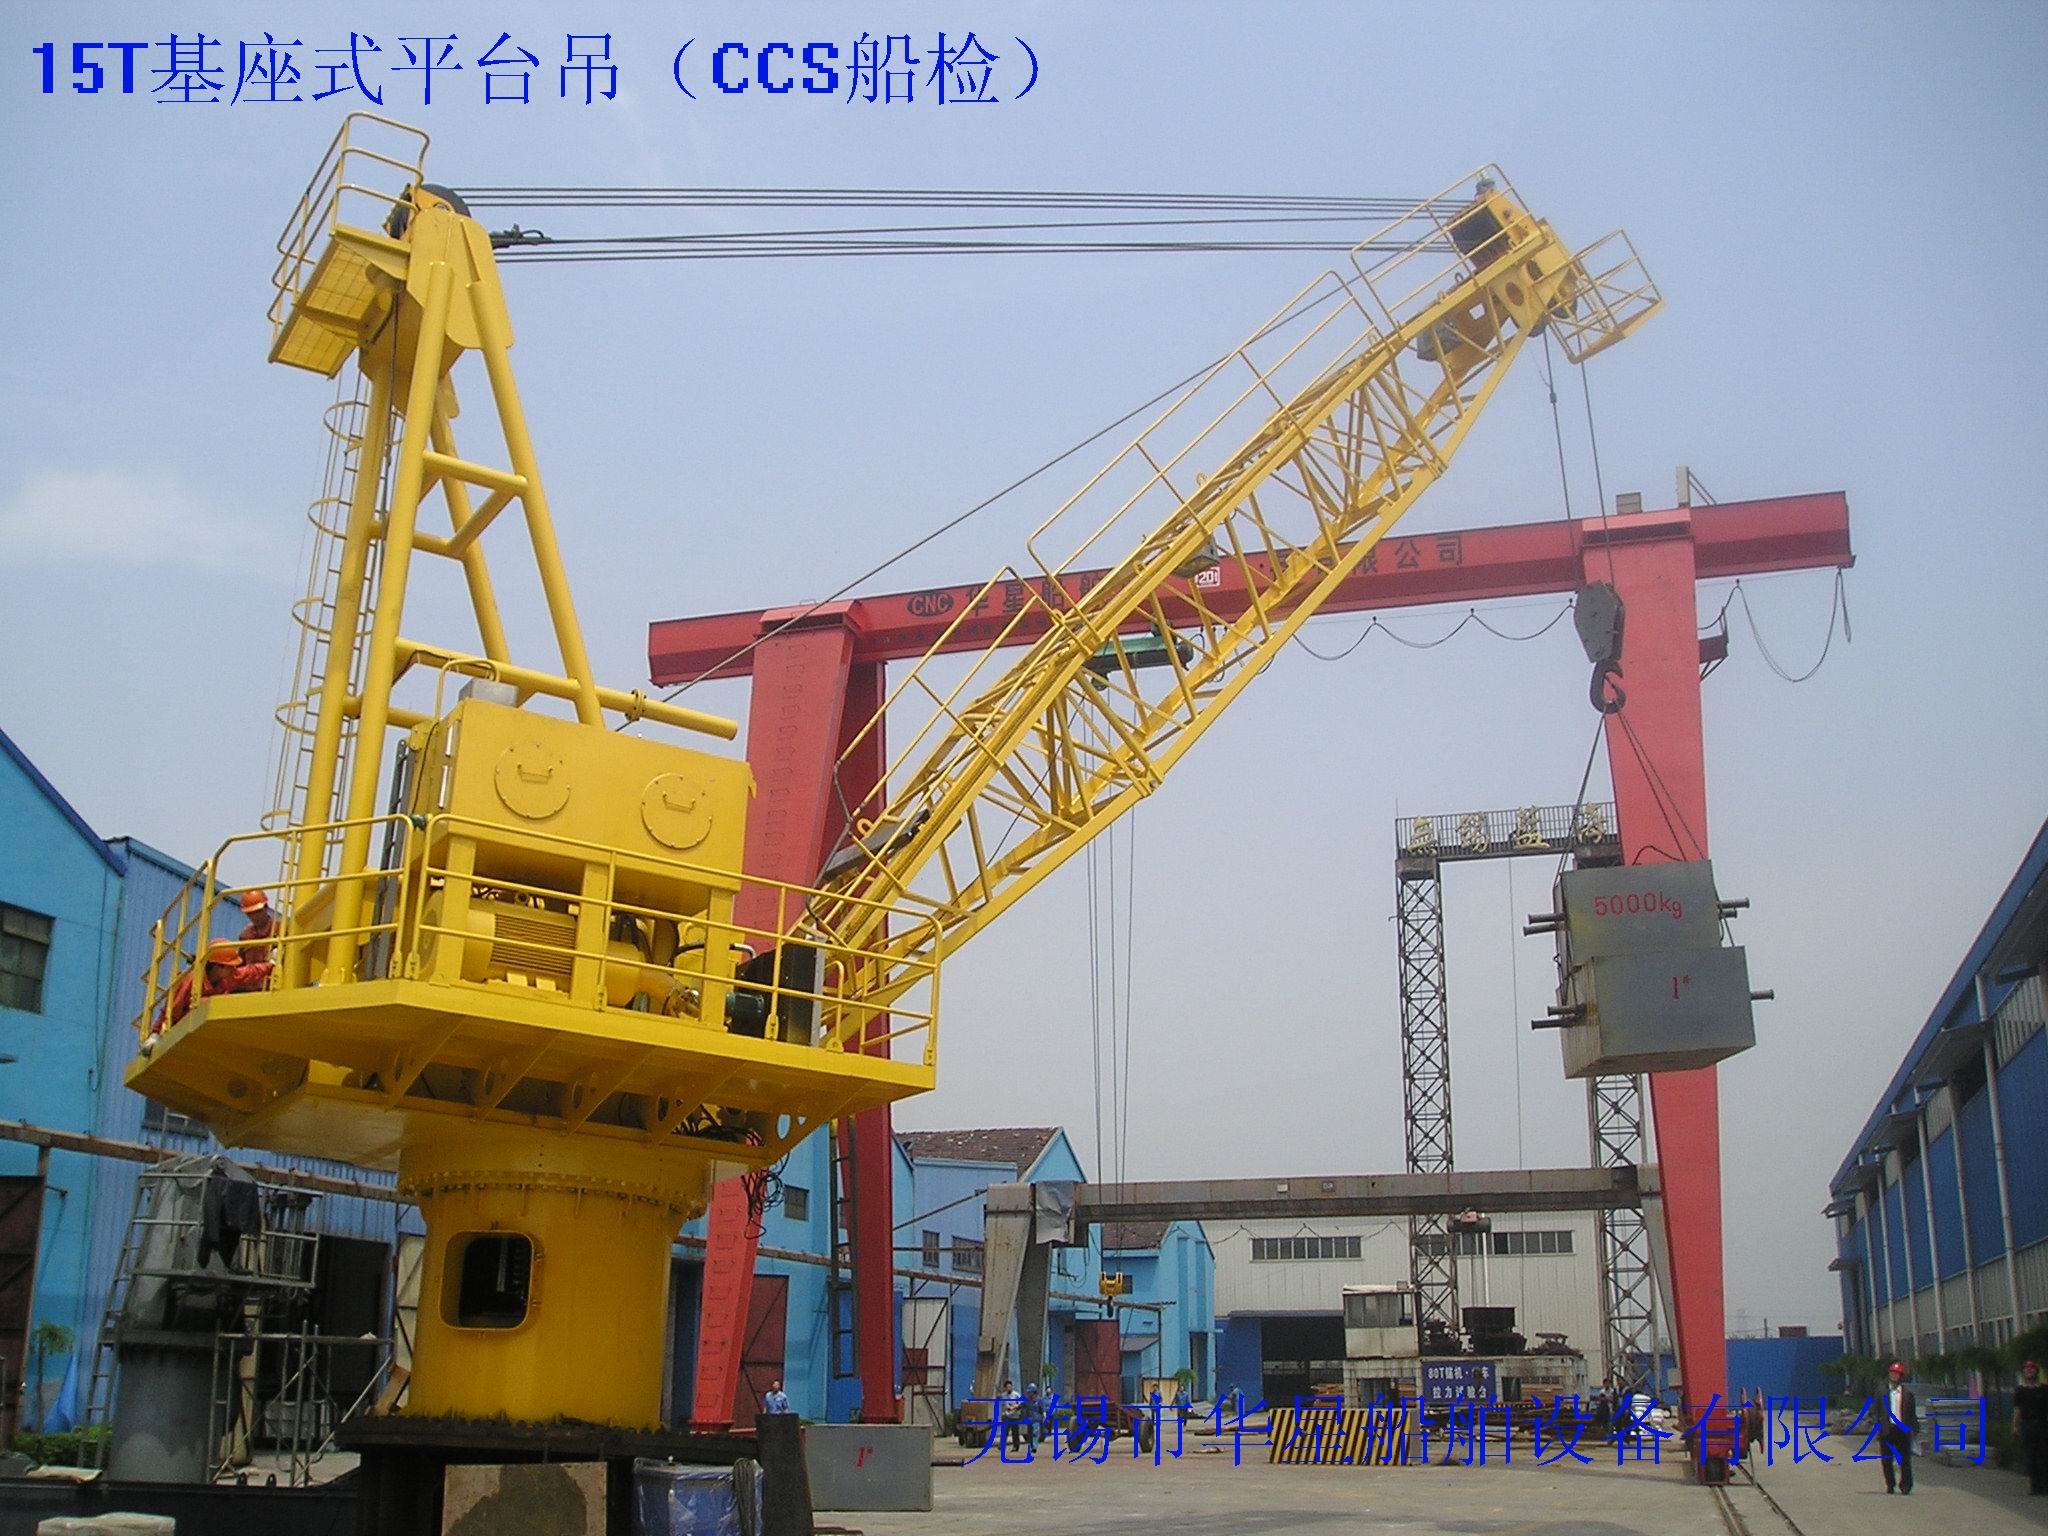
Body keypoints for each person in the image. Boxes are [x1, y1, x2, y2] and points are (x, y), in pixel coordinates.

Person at [155, 940, 273, 1035]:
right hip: (184, 1027)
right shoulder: (190, 980)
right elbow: (172, 1009)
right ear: (217, 967)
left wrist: (271, 965)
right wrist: (156, 1033)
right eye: (230, 966)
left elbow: (249, 972)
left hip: (204, 1028)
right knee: (206, 1002)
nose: (234, 969)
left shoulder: (227, 976)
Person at [1878, 1361, 1917, 1495]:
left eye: (1897, 1374)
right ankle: (1890, 1484)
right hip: (1887, 1429)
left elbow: (1912, 1413)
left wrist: (1914, 1429)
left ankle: (1906, 1485)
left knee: (1904, 1459)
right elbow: (1876, 1410)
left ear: (1901, 1376)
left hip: (1902, 1429)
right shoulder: (1882, 1392)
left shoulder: (1907, 1394)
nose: (1894, 1376)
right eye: (1892, 1373)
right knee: (1886, 1459)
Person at [2013, 1359, 2048, 1495]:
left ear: (2036, 1372)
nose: (2029, 1370)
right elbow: (2017, 1410)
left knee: (2043, 1455)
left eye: (2032, 1368)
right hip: (2027, 1425)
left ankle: (2044, 1486)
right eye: (2027, 1368)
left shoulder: (2044, 1389)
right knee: (2030, 1456)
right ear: (2023, 1372)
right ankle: (2034, 1486)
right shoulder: (2020, 1390)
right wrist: (2015, 1427)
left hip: (2042, 1425)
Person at [237, 889, 279, 965]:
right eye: (250, 913)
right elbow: (240, 964)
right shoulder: (245, 936)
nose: (254, 916)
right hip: (253, 972)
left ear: (266, 907)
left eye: (257, 911)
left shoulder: (280, 929)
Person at [1001, 1378, 1026, 1453]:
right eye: (1007, 1387)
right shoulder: (1003, 1395)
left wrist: (1015, 1407)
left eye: (1010, 1386)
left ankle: (1016, 1446)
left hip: (1015, 1417)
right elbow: (1002, 1405)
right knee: (1004, 1432)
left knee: (1015, 1432)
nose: (1009, 1388)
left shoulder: (1016, 1395)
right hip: (1006, 1416)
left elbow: (1021, 1404)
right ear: (1005, 1388)